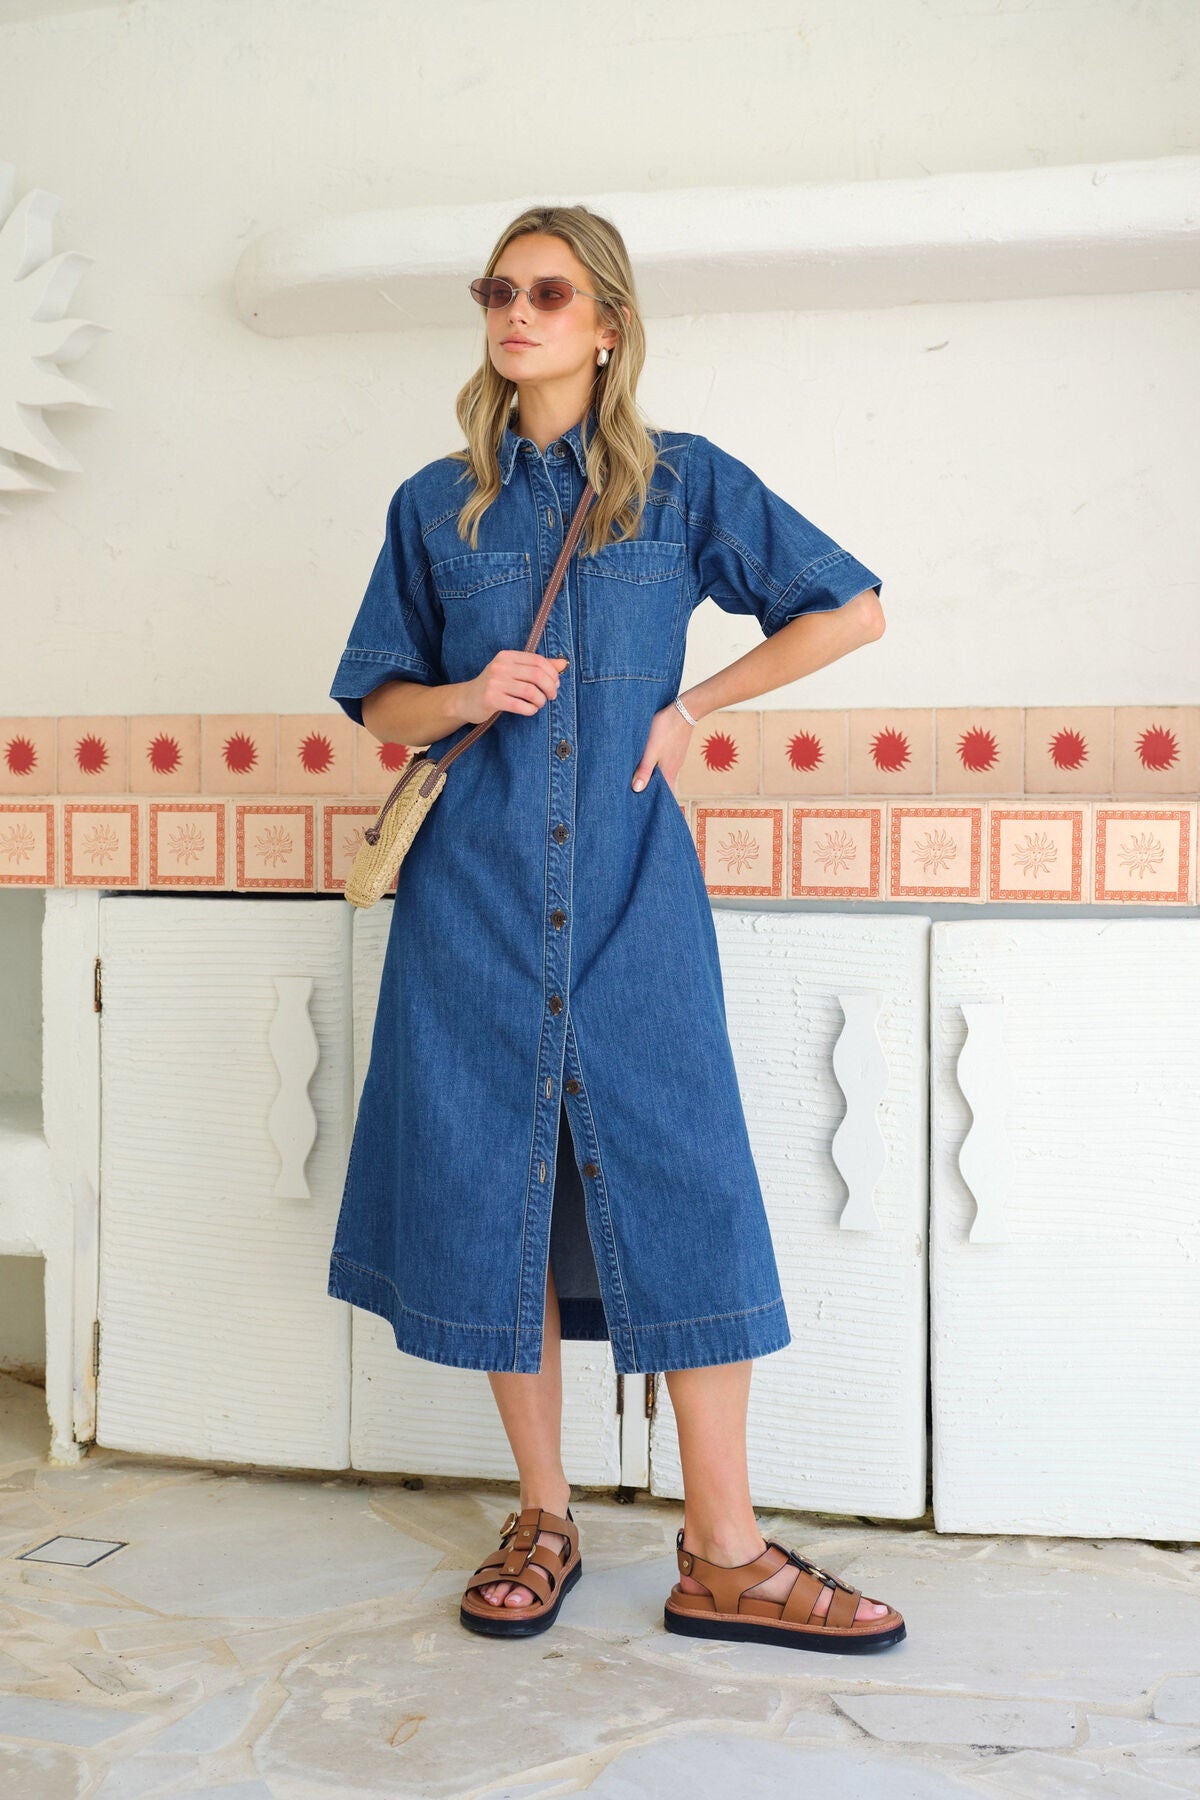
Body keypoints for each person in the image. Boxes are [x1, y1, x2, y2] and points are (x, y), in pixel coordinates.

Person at [326, 204, 905, 1653]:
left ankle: (725, 1550)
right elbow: (380, 698)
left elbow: (852, 609)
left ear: (607, 325)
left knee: (688, 1193)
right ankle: (545, 1517)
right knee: (496, 1200)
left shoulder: (683, 486)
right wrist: (470, 694)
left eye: (548, 292)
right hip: (472, 908)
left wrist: (694, 705)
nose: (516, 313)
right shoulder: (435, 506)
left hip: (637, 902)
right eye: (498, 291)